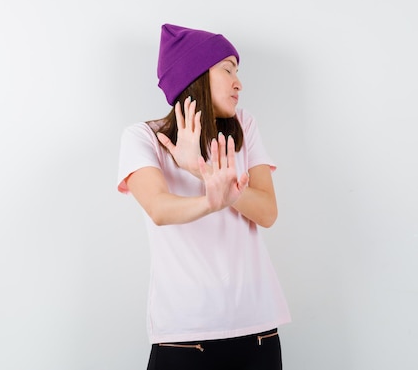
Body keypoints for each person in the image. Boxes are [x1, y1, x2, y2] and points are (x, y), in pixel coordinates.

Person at [117, 23, 291, 370]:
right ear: (193, 76)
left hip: (257, 330)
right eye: (227, 69)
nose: (238, 82)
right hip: (185, 335)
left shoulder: (245, 128)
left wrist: (201, 171)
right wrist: (209, 201)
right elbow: (159, 208)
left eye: (237, 71)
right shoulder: (143, 138)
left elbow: (267, 212)